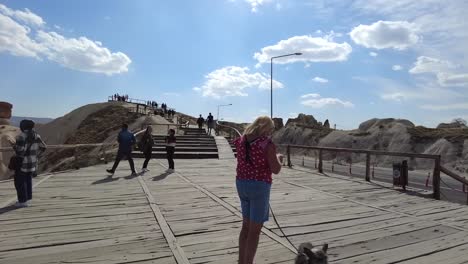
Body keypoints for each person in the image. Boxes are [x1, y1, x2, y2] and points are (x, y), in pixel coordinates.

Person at [233, 116, 283, 264]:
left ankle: (241, 261)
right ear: (265, 127)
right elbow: (275, 169)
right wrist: (279, 157)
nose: (271, 132)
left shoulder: (241, 141)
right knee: (255, 231)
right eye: (271, 129)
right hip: (259, 186)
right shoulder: (266, 144)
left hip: (241, 183)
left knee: (246, 228)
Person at [12, 120, 46, 207]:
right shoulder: (36, 135)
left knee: (20, 182)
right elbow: (43, 147)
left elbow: (20, 151)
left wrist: (13, 145)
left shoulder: (21, 137)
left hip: (23, 163)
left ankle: (22, 201)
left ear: (22, 127)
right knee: (28, 180)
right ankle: (27, 199)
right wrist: (36, 156)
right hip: (32, 163)